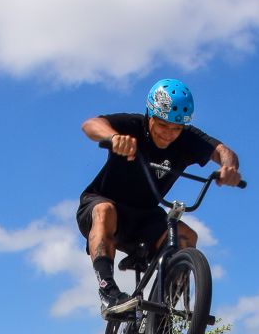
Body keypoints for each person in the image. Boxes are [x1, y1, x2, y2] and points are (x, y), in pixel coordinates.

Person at [77, 78, 242, 315]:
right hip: (101, 205)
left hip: (145, 216)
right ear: (150, 115)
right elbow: (91, 124)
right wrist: (113, 138)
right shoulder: (132, 125)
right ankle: (108, 293)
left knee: (186, 236)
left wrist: (229, 168)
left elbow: (223, 151)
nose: (169, 134)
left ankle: (161, 318)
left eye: (176, 128)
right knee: (106, 210)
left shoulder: (186, 138)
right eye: (163, 125)